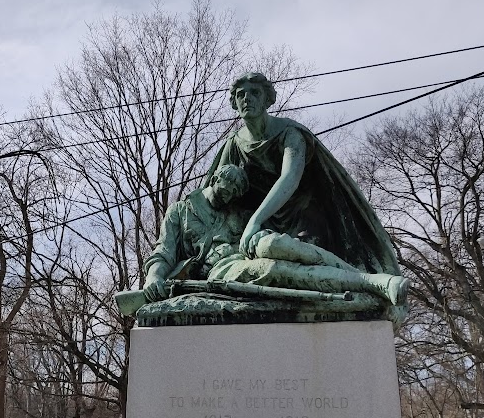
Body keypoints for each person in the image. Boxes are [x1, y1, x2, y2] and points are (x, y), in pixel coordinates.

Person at [141, 72, 409, 311]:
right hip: (242, 248)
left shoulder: (290, 134)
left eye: (255, 93)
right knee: (275, 266)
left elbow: (290, 177)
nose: (247, 99)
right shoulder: (186, 208)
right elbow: (164, 251)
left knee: (285, 249)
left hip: (300, 212)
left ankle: (368, 280)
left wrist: (255, 222)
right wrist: (156, 275)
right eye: (240, 95)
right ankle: (371, 283)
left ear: (268, 100)